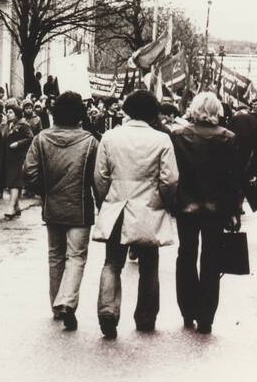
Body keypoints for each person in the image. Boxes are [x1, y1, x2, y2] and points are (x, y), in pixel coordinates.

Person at [92, 91, 179, 339]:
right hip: (148, 208)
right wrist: (163, 201)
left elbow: (100, 177)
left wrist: (106, 202)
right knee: (149, 266)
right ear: (153, 113)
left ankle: (108, 310)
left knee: (112, 262)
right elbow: (170, 179)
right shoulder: (162, 140)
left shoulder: (110, 137)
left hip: (118, 206)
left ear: (127, 110)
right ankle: (146, 317)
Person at [23, 92, 99, 330]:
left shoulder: (41, 139)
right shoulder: (90, 142)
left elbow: (29, 173)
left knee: (55, 256)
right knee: (76, 257)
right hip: (80, 208)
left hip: (52, 206)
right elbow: (98, 178)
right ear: (80, 115)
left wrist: (44, 192)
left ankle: (56, 305)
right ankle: (67, 301)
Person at [169, 92, 242, 334]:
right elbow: (232, 179)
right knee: (211, 259)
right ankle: (207, 315)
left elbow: (174, 174)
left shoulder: (178, 135)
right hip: (216, 207)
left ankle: (188, 309)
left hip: (186, 206)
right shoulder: (228, 138)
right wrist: (233, 210)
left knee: (186, 255)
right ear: (216, 111)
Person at [0, 103, 34, 219]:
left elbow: (30, 138)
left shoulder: (23, 125)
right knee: (12, 182)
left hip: (18, 158)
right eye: (7, 112)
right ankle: (16, 207)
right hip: (8, 158)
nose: (8, 114)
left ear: (17, 113)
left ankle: (11, 208)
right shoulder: (6, 125)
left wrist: (18, 143)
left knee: (14, 182)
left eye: (11, 112)